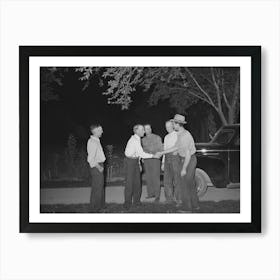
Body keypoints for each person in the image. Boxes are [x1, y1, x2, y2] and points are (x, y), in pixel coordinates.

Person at [156, 114, 199, 212]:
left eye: (174, 124)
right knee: (190, 184)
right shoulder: (180, 133)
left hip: (188, 160)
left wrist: (184, 169)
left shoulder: (184, 136)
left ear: (178, 124)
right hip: (187, 158)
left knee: (184, 184)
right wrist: (162, 153)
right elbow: (176, 146)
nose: (172, 125)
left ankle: (187, 208)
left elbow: (188, 154)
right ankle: (195, 205)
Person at [124, 124, 159, 210]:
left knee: (137, 183)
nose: (144, 131)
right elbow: (141, 154)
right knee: (129, 184)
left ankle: (137, 202)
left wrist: (139, 164)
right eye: (142, 130)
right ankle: (127, 204)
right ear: (137, 131)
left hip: (135, 161)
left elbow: (138, 154)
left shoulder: (138, 139)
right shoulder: (134, 140)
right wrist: (153, 156)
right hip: (130, 162)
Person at [87, 123, 106, 212]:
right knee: (97, 188)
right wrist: (99, 167)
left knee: (99, 187)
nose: (102, 131)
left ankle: (100, 206)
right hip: (97, 167)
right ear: (95, 131)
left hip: (99, 165)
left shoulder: (96, 140)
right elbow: (90, 159)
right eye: (100, 130)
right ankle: (96, 208)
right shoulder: (93, 142)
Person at [142, 124, 163, 202]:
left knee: (155, 178)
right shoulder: (143, 139)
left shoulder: (157, 138)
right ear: (144, 131)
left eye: (149, 128)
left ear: (151, 129)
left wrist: (153, 152)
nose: (148, 130)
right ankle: (151, 194)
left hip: (155, 159)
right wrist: (143, 157)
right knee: (149, 177)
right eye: (146, 129)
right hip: (147, 160)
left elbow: (161, 149)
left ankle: (157, 196)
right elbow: (143, 150)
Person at [162, 120, 181, 204]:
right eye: (166, 127)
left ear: (173, 126)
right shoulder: (166, 137)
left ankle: (179, 199)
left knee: (177, 179)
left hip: (175, 158)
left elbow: (180, 146)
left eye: (169, 126)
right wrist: (163, 162)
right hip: (167, 158)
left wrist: (178, 151)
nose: (168, 128)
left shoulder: (178, 135)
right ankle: (169, 199)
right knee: (167, 180)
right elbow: (164, 150)